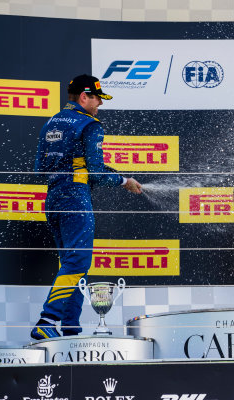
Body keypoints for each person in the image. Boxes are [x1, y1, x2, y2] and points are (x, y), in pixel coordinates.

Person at [31, 74, 142, 340]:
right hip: (75, 198)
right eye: (97, 99)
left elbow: (40, 168)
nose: (99, 105)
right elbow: (95, 173)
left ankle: (70, 327)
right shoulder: (90, 124)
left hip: (54, 198)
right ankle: (47, 321)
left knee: (70, 262)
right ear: (84, 96)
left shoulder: (52, 122)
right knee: (78, 261)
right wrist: (125, 180)